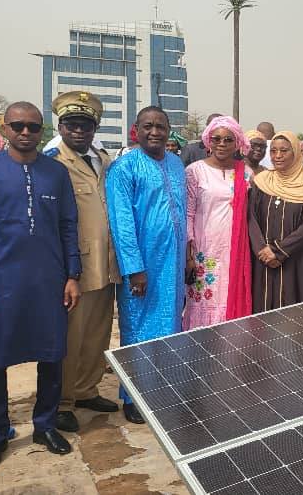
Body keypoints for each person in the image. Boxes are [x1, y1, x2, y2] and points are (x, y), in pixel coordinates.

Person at [0, 102, 82, 470]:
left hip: (48, 281)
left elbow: (68, 225)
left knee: (51, 356)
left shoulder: (56, 173)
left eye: (33, 127)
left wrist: (72, 274)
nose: (25, 133)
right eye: (18, 126)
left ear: (42, 130)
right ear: (5, 128)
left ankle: (44, 425)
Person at [43, 92, 122, 433]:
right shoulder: (51, 162)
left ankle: (87, 389)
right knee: (70, 337)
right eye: (72, 125)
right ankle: (62, 400)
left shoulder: (102, 158)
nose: (79, 131)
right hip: (74, 266)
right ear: (60, 127)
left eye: (86, 125)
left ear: (95, 128)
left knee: (97, 332)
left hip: (105, 263)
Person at [106, 106, 186, 425]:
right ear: (135, 130)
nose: (155, 132)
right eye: (148, 126)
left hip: (174, 260)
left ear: (169, 130)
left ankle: (163, 389)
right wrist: (134, 268)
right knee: (138, 326)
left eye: (161, 126)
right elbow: (121, 222)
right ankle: (133, 395)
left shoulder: (177, 163)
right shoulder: (124, 168)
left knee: (169, 324)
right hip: (142, 264)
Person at [184, 116, 253, 328]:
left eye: (228, 139)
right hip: (205, 251)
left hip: (236, 252)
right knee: (202, 303)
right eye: (216, 139)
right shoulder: (195, 171)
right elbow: (188, 214)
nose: (221, 144)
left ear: (238, 143)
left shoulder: (246, 174)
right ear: (208, 141)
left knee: (231, 301)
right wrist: (189, 256)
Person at [249, 131, 303, 312]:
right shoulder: (261, 181)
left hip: (296, 260)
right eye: (273, 151)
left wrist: (280, 251)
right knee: (262, 317)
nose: (277, 156)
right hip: (263, 261)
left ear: (296, 152)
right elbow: (251, 218)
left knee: (293, 316)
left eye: (284, 151)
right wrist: (262, 250)